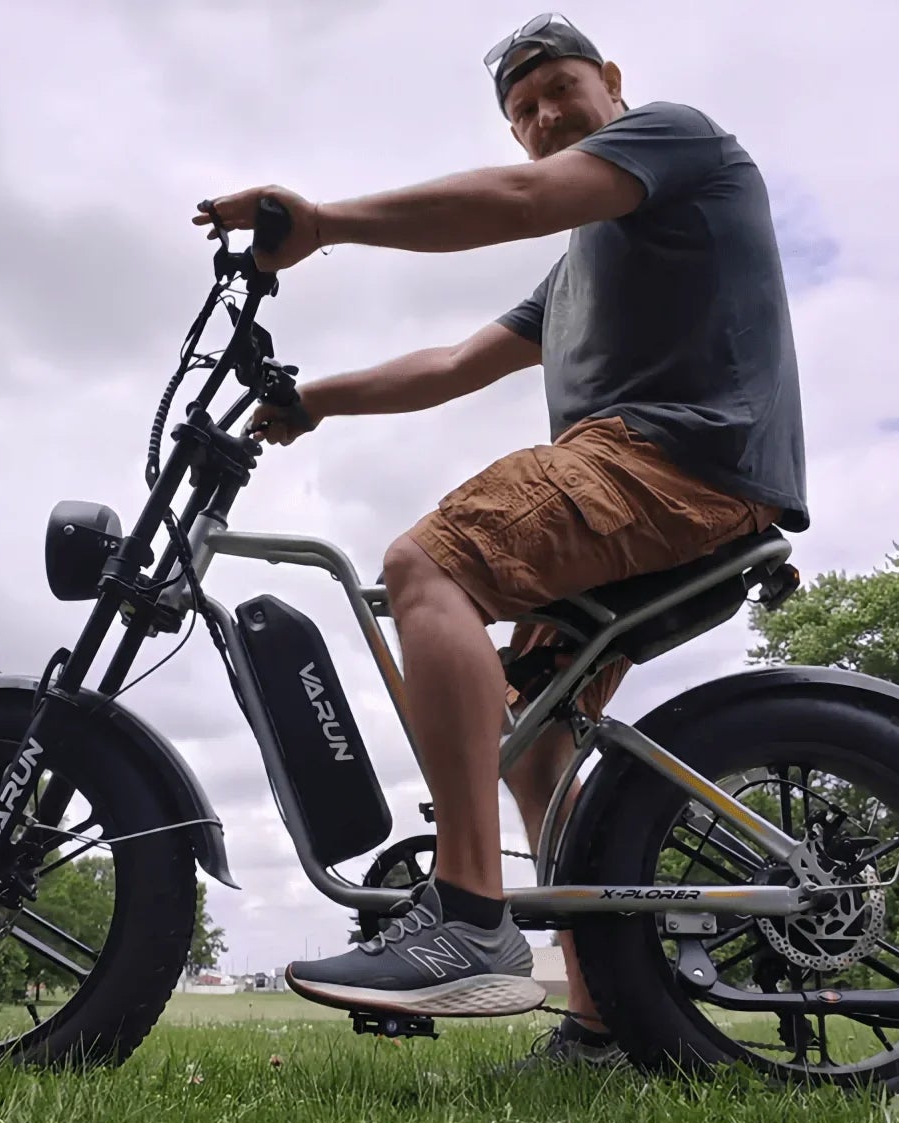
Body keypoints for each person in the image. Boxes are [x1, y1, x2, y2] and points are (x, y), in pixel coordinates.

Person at [196, 12, 808, 1067]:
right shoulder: (575, 275)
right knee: (536, 733)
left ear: (610, 80)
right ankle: (600, 1022)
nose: (544, 117)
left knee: (427, 562)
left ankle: (471, 911)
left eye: (560, 90)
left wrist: (324, 219)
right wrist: (311, 398)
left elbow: (519, 200)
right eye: (523, 111)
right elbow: (449, 364)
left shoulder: (678, 138)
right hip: (659, 480)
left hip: (673, 462)